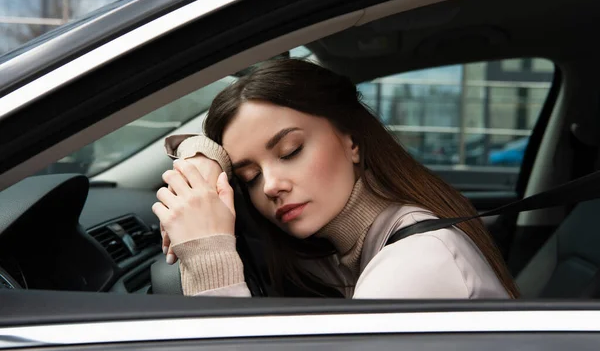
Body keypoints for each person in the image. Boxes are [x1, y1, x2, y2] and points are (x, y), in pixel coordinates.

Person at [152, 59, 519, 299]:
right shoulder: (348, 249)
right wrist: (204, 162)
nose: (270, 185)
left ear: (352, 141)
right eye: (248, 177)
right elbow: (198, 144)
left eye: (291, 151)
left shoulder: (416, 265)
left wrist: (208, 258)